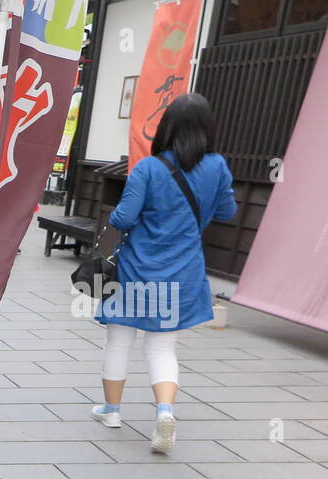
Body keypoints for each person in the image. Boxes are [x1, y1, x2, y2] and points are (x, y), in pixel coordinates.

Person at [90, 93, 237, 454]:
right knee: (162, 346)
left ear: (167, 126)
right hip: (182, 270)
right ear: (207, 128)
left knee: (120, 338)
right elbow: (227, 211)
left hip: (137, 268)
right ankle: (165, 411)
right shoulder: (217, 165)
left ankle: (111, 411)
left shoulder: (149, 168)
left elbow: (123, 218)